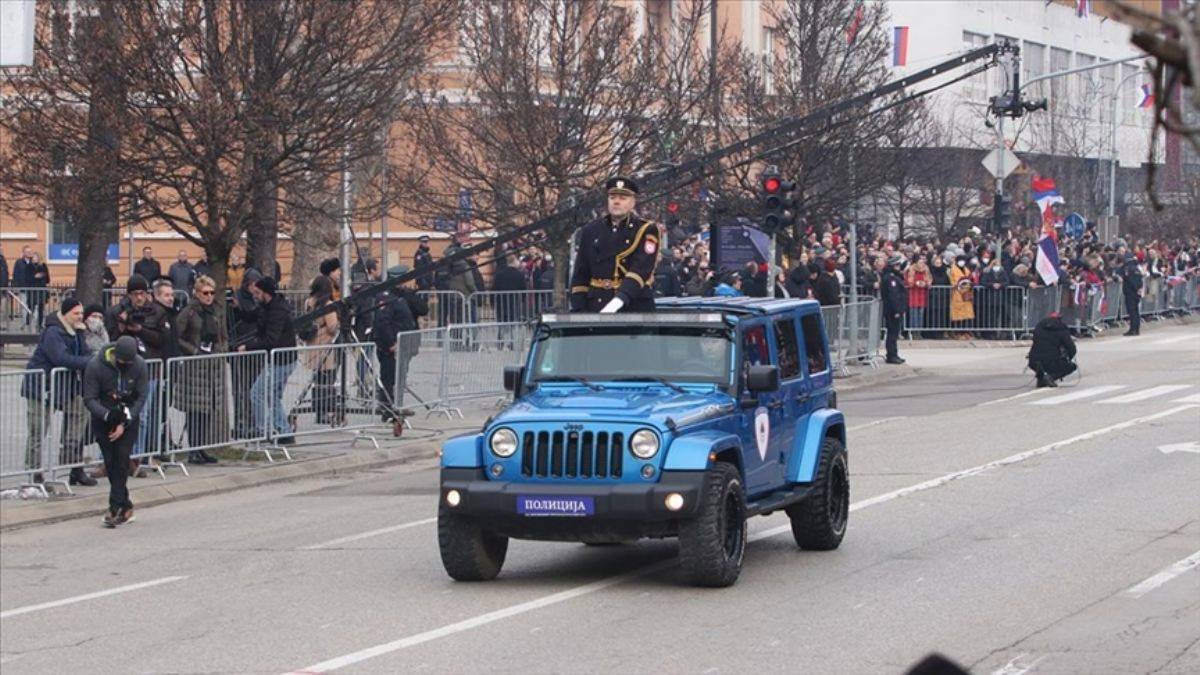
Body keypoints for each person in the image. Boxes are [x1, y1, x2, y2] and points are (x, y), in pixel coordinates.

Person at [21, 298, 97, 486]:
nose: (80, 317)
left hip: (62, 386)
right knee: (38, 431)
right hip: (41, 387)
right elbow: (61, 358)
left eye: (81, 313)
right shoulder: (53, 332)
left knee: (81, 409)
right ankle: (34, 473)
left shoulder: (77, 331)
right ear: (65, 314)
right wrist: (90, 362)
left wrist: (91, 359)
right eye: (76, 313)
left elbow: (85, 353)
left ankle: (71, 454)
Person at [83, 336, 149, 527]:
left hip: (127, 419)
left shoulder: (140, 366)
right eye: (123, 362)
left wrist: (124, 422)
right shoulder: (96, 366)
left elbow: (141, 397)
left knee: (122, 459)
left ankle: (114, 509)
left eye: (130, 362)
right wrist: (107, 416)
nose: (126, 366)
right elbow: (90, 398)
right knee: (111, 463)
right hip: (103, 418)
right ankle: (126, 505)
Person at [569, 176, 660, 313]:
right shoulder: (591, 230)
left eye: (623, 198)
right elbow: (581, 273)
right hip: (596, 304)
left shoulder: (645, 230)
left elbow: (641, 269)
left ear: (632, 203)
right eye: (612, 198)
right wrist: (579, 307)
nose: (616, 202)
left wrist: (618, 301)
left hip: (633, 305)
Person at [173, 275, 227, 464]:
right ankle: (193, 449)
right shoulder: (189, 312)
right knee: (195, 410)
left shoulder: (217, 311)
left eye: (212, 292)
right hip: (195, 366)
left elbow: (223, 335)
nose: (209, 296)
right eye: (205, 293)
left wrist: (221, 350)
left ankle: (201, 448)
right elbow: (177, 336)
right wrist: (194, 351)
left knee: (208, 408)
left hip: (212, 364)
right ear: (197, 293)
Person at [238, 276, 297, 444]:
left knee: (257, 393)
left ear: (266, 293)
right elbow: (251, 316)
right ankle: (284, 432)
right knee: (272, 396)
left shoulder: (277, 311)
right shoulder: (266, 307)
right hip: (280, 359)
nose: (255, 295)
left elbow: (271, 340)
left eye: (257, 292)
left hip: (281, 360)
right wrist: (236, 308)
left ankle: (263, 431)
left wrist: (248, 347)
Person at [374, 265, 429, 415]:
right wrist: (391, 343)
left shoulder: (404, 295)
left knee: (401, 374)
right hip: (392, 345)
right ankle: (387, 406)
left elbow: (423, 309)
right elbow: (383, 323)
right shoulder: (386, 297)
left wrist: (410, 294)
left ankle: (396, 404)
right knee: (389, 376)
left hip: (406, 343)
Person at [302, 275, 341, 426]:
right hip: (325, 345)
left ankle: (318, 410)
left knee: (317, 380)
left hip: (312, 345)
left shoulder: (309, 302)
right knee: (327, 380)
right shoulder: (328, 304)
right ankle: (325, 411)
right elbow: (332, 327)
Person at [1027, 313, 1077, 388]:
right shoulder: (1062, 329)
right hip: (1052, 361)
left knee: (1041, 363)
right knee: (1072, 366)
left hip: (1034, 361)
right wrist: (1068, 358)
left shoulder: (1039, 327)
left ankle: (1041, 378)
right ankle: (1050, 377)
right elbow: (1071, 349)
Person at [881, 254, 908, 364]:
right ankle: (891, 355)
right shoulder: (890, 278)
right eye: (897, 265)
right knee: (892, 334)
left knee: (894, 333)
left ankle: (894, 354)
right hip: (892, 311)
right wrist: (897, 310)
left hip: (895, 309)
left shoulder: (893, 277)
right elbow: (893, 296)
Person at [1121, 253, 1143, 336]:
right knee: (1136, 311)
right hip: (1136, 292)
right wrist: (1139, 289)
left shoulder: (1128, 268)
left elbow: (1130, 280)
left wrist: (1135, 288)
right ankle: (1136, 329)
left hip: (1130, 292)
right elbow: (1140, 280)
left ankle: (1133, 329)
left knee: (1132, 312)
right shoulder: (1137, 268)